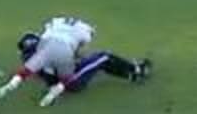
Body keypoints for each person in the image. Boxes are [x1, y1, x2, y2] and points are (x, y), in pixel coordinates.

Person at [14, 33, 152, 108]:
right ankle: (138, 70)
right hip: (72, 80)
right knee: (103, 57)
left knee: (99, 62)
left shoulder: (29, 59)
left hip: (60, 82)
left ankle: (129, 74)